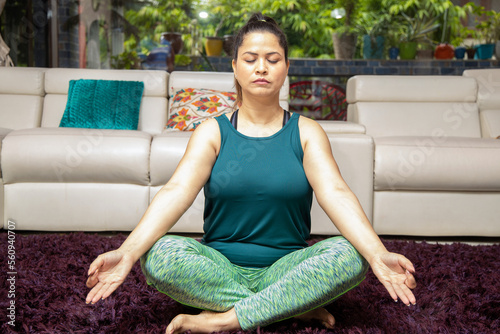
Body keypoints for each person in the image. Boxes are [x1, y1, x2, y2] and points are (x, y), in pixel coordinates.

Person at [86, 13, 417, 334]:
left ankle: (226, 317)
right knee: (157, 254)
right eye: (250, 59)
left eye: (273, 59)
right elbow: (176, 191)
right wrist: (127, 251)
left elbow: (336, 193)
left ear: (286, 67)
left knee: (352, 254)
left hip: (287, 269)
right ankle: (289, 307)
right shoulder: (212, 132)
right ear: (234, 66)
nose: (262, 67)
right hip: (219, 268)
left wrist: (378, 253)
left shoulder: (306, 132)